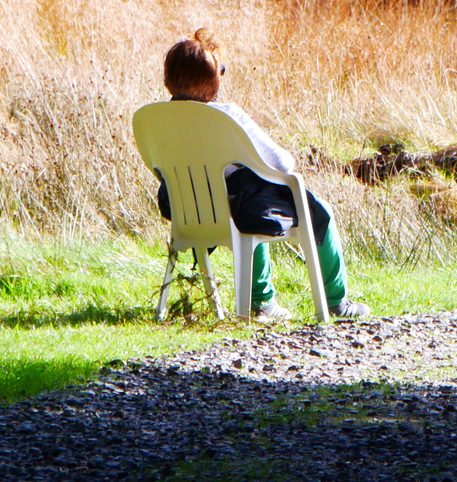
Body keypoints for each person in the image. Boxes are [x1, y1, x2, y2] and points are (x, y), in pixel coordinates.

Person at [154, 28, 370, 321]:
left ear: (169, 79)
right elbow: (282, 164)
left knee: (247, 205)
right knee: (300, 209)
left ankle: (263, 303)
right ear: (212, 82)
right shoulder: (227, 116)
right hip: (239, 211)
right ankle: (336, 302)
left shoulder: (154, 121)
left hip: (187, 214)